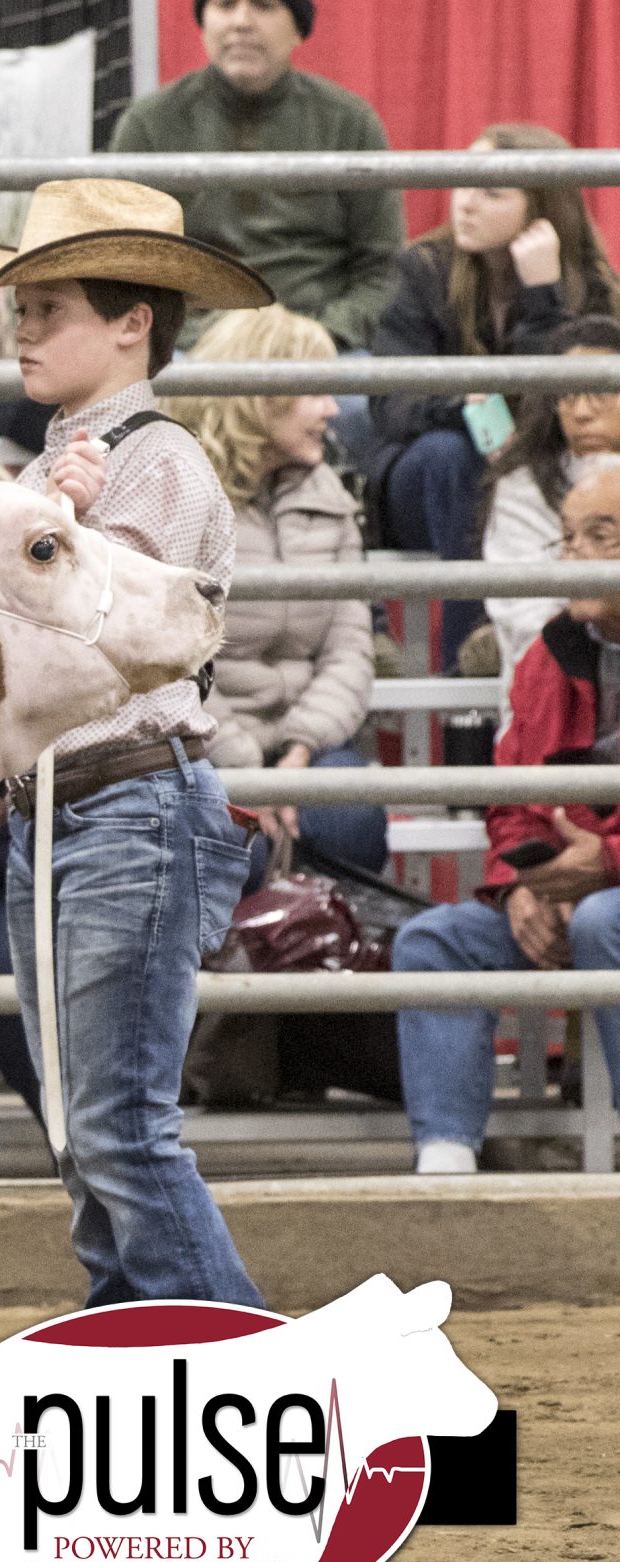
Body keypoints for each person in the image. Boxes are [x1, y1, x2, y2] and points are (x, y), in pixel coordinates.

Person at [0, 177, 275, 1307]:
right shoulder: (60, 468)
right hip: (70, 807)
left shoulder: (154, 462)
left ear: (134, 321)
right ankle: (138, 1384)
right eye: (20, 306)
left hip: (129, 802)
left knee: (114, 1128)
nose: (22, 327)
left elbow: (104, 636)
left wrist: (61, 526)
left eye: (51, 306)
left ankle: (256, 1385)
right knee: (90, 1133)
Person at [392, 464, 620, 1175]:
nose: (574, 554)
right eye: (567, 537)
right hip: (564, 891)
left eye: (600, 535)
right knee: (435, 941)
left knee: (601, 922)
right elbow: (510, 797)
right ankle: (446, 1163)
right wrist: (519, 887)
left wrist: (605, 863)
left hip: (600, 899)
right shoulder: (549, 652)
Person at [368, 123, 620, 662]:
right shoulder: (422, 271)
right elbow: (392, 404)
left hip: (539, 480)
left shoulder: (590, 287)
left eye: (492, 191)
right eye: (463, 184)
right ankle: (470, 666)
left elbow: (562, 412)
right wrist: (467, 406)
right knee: (453, 455)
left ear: (541, 207)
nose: (466, 204)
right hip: (429, 480)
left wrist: (541, 299)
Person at [168, 306, 387, 884]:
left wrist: (296, 753)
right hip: (205, 748)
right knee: (235, 838)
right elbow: (174, 665)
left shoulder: (332, 497)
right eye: (315, 390)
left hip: (306, 742)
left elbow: (351, 649)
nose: (333, 409)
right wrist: (245, 770)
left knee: (349, 820)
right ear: (258, 395)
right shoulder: (179, 498)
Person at [107, 1, 400, 355]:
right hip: (189, 348)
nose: (242, 22)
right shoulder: (149, 124)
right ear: (203, 21)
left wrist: (323, 335)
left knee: (359, 408)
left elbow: (383, 269)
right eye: (225, 5)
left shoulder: (350, 122)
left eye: (264, 5)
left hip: (321, 348)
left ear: (298, 29)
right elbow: (124, 268)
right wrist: (200, 340)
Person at [479, 315, 620, 680]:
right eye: (567, 395)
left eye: (601, 392)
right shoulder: (522, 487)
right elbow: (529, 622)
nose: (582, 412)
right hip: (556, 693)